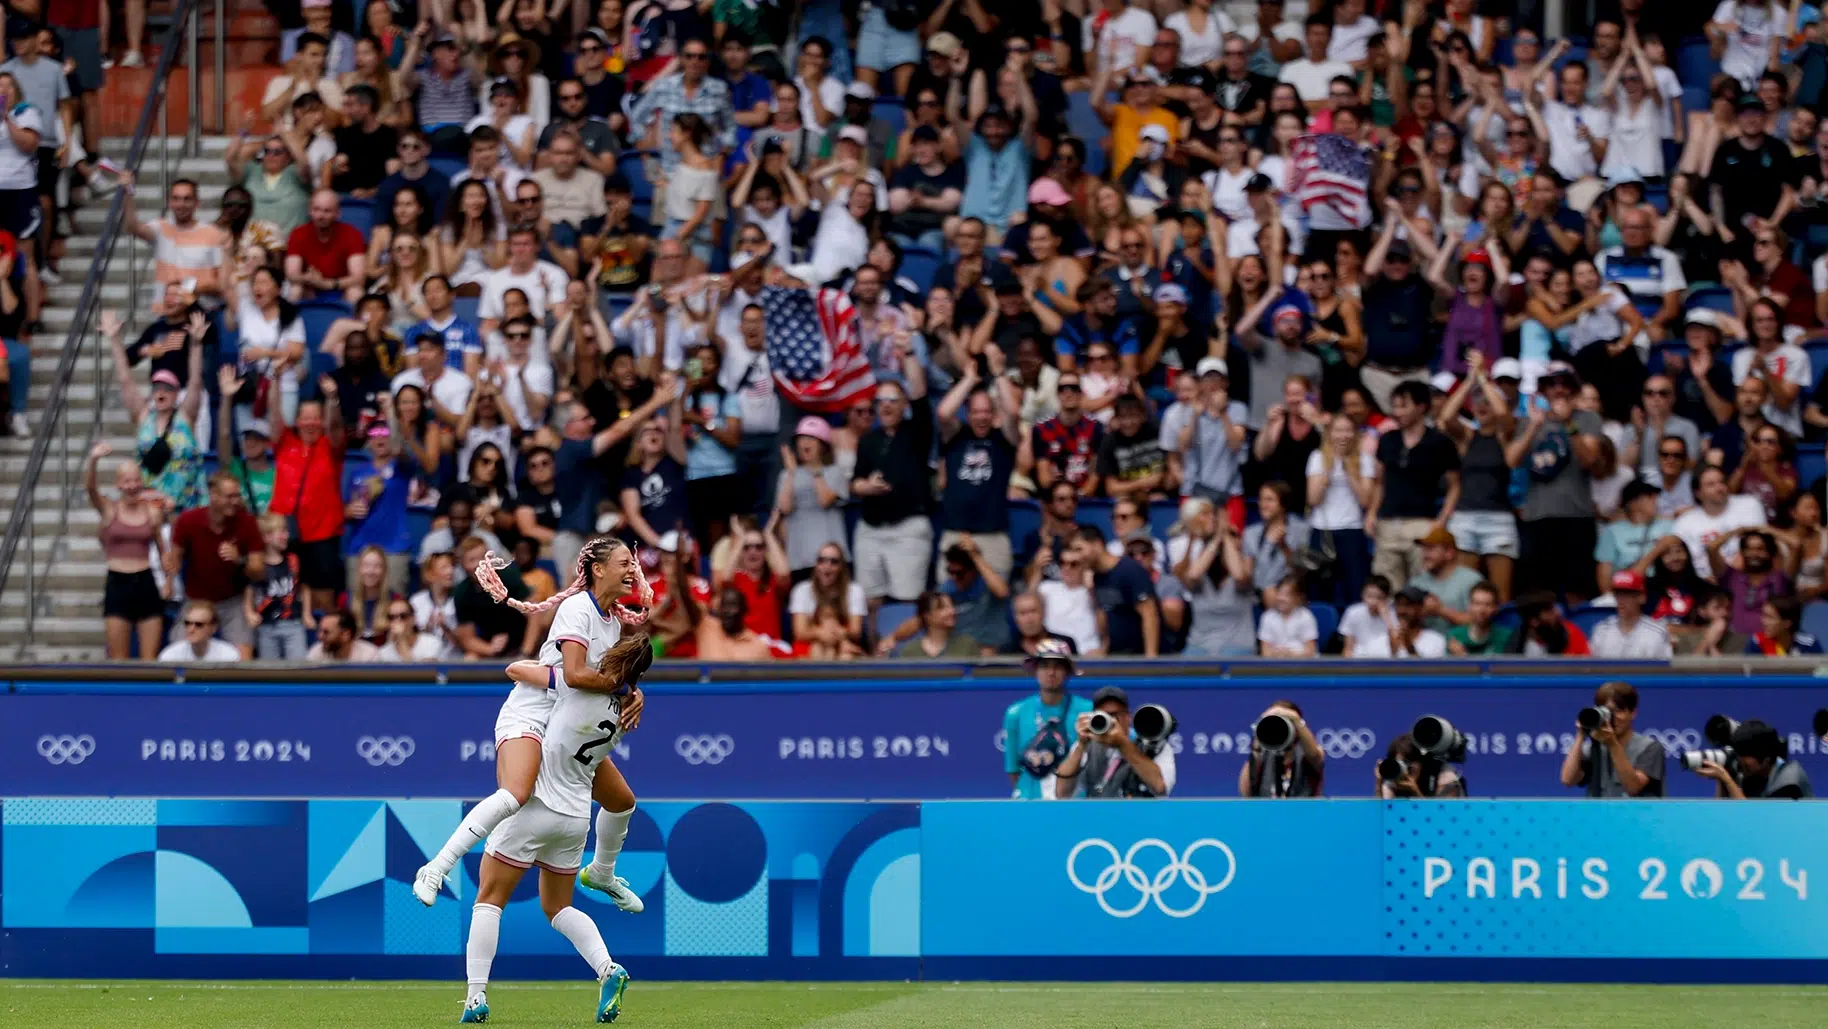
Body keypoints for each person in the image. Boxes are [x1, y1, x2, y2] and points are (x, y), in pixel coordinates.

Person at [413, 535, 653, 913]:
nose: (632, 570)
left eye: (632, 564)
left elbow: (601, 679)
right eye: (624, 563)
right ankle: (436, 867)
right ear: (598, 569)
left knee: (622, 801)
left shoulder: (611, 624)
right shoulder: (577, 608)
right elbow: (575, 675)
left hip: (566, 724)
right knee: (515, 794)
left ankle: (602, 873)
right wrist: (623, 689)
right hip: (533, 712)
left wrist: (633, 693)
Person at [459, 637, 653, 1025]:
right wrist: (634, 690)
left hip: (536, 802)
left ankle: (475, 996)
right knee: (558, 906)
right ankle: (607, 968)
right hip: (576, 816)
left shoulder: (574, 684)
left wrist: (558, 666)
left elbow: (514, 670)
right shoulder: (623, 708)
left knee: (489, 899)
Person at [851, 353, 932, 617]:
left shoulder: (916, 431)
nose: (885, 406)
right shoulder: (868, 440)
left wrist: (908, 354)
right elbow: (855, 482)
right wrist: (865, 487)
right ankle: (876, 655)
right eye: (880, 401)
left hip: (907, 529)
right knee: (870, 603)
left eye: (892, 401)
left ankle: (903, 656)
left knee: (907, 603)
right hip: (871, 530)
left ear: (904, 405)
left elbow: (920, 393)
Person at [1369, 380, 1461, 586]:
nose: (1397, 412)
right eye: (1395, 406)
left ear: (1421, 407)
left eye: (1403, 406)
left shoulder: (1439, 442)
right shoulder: (1387, 440)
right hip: (1388, 523)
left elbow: (1455, 485)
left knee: (1421, 586)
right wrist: (1372, 512)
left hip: (1423, 523)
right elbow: (1379, 482)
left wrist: (1442, 520)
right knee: (1386, 585)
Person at [1002, 639, 1096, 799]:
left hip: (1074, 803)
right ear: (1035, 670)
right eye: (1044, 666)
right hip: (1029, 802)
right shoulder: (1015, 713)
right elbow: (1013, 769)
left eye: (1058, 666)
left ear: (1067, 671)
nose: (1051, 672)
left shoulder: (1087, 710)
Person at [1053, 685, 1175, 799]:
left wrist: (1122, 744)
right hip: (1099, 818)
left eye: (1115, 715)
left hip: (1140, 818)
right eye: (1103, 716)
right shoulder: (1088, 744)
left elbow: (1160, 787)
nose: (1110, 721)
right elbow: (1062, 794)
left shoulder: (1152, 745)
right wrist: (1080, 746)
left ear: (1128, 717)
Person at [1558, 680, 1664, 797]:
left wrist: (1612, 743)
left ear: (1633, 713)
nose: (1613, 718)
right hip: (1599, 814)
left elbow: (1633, 787)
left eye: (1618, 711)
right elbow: (1567, 780)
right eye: (1607, 712)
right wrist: (1581, 735)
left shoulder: (1649, 748)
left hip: (1638, 814)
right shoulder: (1593, 748)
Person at [1069, 524, 1158, 656]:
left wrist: (1150, 659)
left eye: (1079, 549)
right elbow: (1108, 619)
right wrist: (1104, 650)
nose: (1077, 557)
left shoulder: (1129, 570)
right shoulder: (1098, 577)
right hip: (1118, 656)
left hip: (1138, 658)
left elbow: (1149, 614)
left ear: (1097, 544)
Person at [1692, 719, 1815, 798]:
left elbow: (1755, 821)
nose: (1739, 760)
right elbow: (1720, 813)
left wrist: (1727, 780)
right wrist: (1721, 781)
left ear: (1766, 759)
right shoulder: (1753, 775)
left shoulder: (1789, 780)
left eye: (1745, 755)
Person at [1239, 699, 1324, 797]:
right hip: (1268, 811)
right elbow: (1245, 793)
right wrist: (1259, 733)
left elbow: (1314, 755)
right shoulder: (1260, 757)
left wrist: (1295, 718)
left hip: (1305, 811)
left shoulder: (1306, 755)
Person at [1588, 571, 1674, 658]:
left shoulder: (1657, 632)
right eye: (1618, 594)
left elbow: (1666, 668)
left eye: (1627, 594)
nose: (1621, 600)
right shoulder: (1602, 630)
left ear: (1641, 597)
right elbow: (1590, 667)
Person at [1354, 585, 1447, 658]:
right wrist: (1393, 652)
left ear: (1421, 608)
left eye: (1408, 605)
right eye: (1398, 605)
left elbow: (1427, 677)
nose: (1402, 610)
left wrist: (1409, 648)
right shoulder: (1377, 642)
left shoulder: (1436, 641)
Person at [696, 585, 777, 660]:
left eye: (732, 605)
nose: (726, 611)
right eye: (723, 605)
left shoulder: (758, 647)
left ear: (744, 610)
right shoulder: (706, 627)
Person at [157, 601, 242, 663]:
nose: (191, 629)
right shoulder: (170, 655)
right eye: (187, 623)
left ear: (213, 628)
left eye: (199, 624)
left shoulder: (229, 655)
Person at [1446, 580, 1513, 656]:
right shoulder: (1455, 636)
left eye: (1488, 604)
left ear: (1496, 608)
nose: (1481, 610)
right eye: (1477, 603)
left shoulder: (1507, 637)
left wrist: (1463, 656)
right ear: (1469, 606)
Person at [1257, 574, 1318, 657]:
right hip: (1274, 665)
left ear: (1298, 598)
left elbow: (1310, 651)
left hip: (1302, 665)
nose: (1281, 598)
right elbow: (1265, 652)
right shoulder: (1267, 617)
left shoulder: (1306, 617)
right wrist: (1278, 654)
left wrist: (1290, 654)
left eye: (1287, 595)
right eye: (1280, 593)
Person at [1747, 596, 1826, 655]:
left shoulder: (1809, 644)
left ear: (1787, 623)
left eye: (1769, 617)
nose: (1763, 621)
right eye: (1763, 615)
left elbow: (1822, 673)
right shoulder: (1758, 642)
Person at [305, 609, 383, 662]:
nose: (320, 636)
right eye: (320, 631)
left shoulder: (369, 656)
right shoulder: (316, 652)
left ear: (346, 635)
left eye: (326, 632)